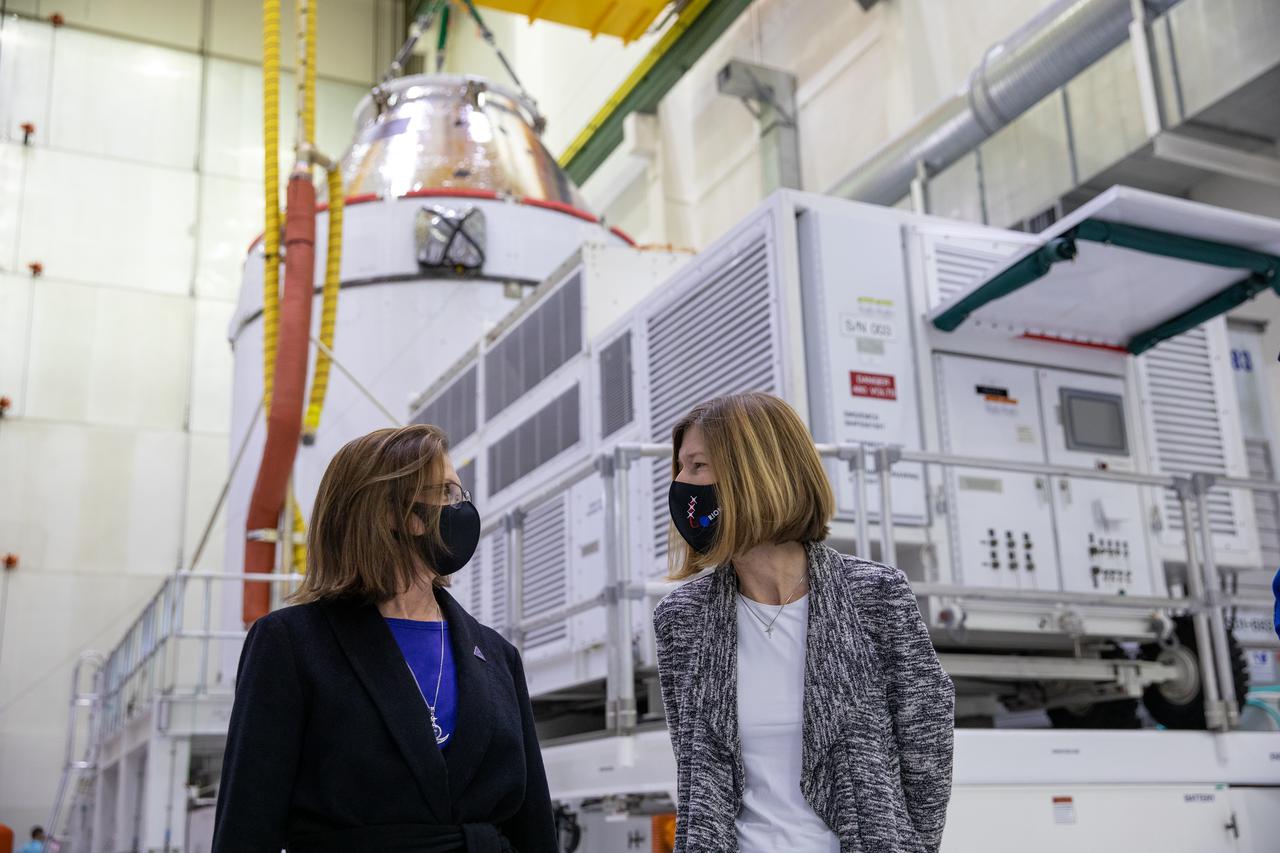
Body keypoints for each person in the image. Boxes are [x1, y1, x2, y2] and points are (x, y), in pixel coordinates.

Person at [213, 424, 556, 852]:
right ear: (391, 511)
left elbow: (534, 826)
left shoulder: (498, 655)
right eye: (445, 492)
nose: (461, 507)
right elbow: (247, 824)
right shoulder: (290, 644)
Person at [653, 392, 955, 853]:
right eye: (680, 468)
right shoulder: (681, 619)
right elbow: (694, 773)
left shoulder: (876, 596)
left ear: (756, 474)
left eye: (698, 466)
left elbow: (927, 749)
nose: (681, 483)